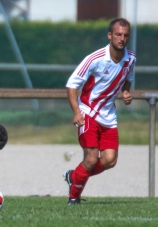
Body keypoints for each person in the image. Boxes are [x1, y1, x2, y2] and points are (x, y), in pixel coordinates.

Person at [63, 18, 136, 205]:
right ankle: (74, 198)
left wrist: (126, 92)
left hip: (109, 116)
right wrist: (77, 112)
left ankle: (74, 176)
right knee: (91, 157)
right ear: (110, 35)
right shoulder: (94, 59)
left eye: (125, 35)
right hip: (88, 112)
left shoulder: (131, 58)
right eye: (118, 34)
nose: (122, 38)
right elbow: (72, 85)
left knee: (110, 160)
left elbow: (128, 78)